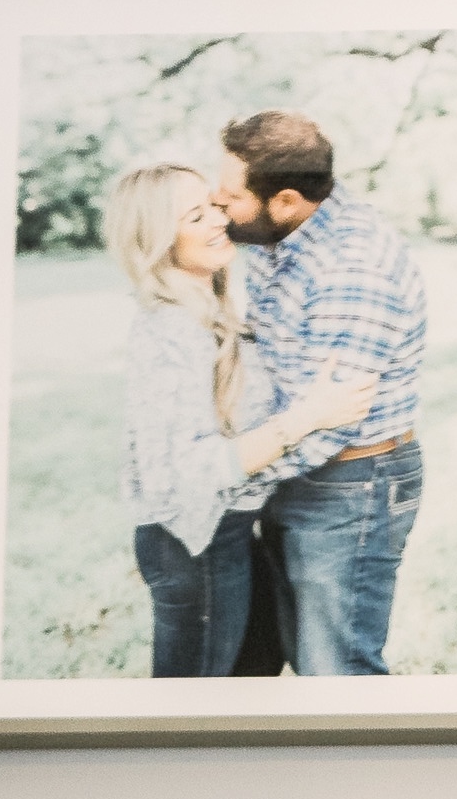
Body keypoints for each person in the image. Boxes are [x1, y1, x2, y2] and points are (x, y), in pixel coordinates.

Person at [102, 161, 367, 679]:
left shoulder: (211, 307)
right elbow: (192, 470)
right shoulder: (170, 330)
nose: (219, 220)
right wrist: (308, 418)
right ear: (157, 237)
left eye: (215, 206)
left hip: (231, 532)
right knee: (187, 718)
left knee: (254, 680)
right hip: (194, 543)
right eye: (194, 216)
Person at [212, 109, 429, 679]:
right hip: (293, 465)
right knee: (295, 652)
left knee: (336, 669)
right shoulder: (283, 225)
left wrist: (222, 476)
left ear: (285, 200)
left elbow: (329, 427)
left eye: (229, 196)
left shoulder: (352, 272)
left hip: (351, 485)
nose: (217, 203)